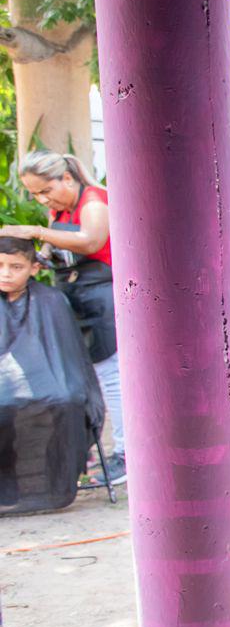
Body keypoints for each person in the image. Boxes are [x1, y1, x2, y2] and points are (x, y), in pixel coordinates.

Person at [2, 150, 124, 485]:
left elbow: (91, 240)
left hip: (103, 294)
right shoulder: (60, 208)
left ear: (66, 178)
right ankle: (82, 449)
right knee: (80, 374)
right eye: (35, 194)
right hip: (74, 292)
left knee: (110, 375)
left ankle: (125, 455)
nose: (42, 199)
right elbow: (56, 246)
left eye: (45, 190)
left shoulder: (94, 201)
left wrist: (35, 231)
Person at [0, 235, 105, 511]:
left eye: (15, 267)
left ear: (34, 268)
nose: (6, 274)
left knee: (67, 400)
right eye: (0, 266)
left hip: (47, 381)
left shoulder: (51, 300)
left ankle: (56, 485)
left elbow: (67, 360)